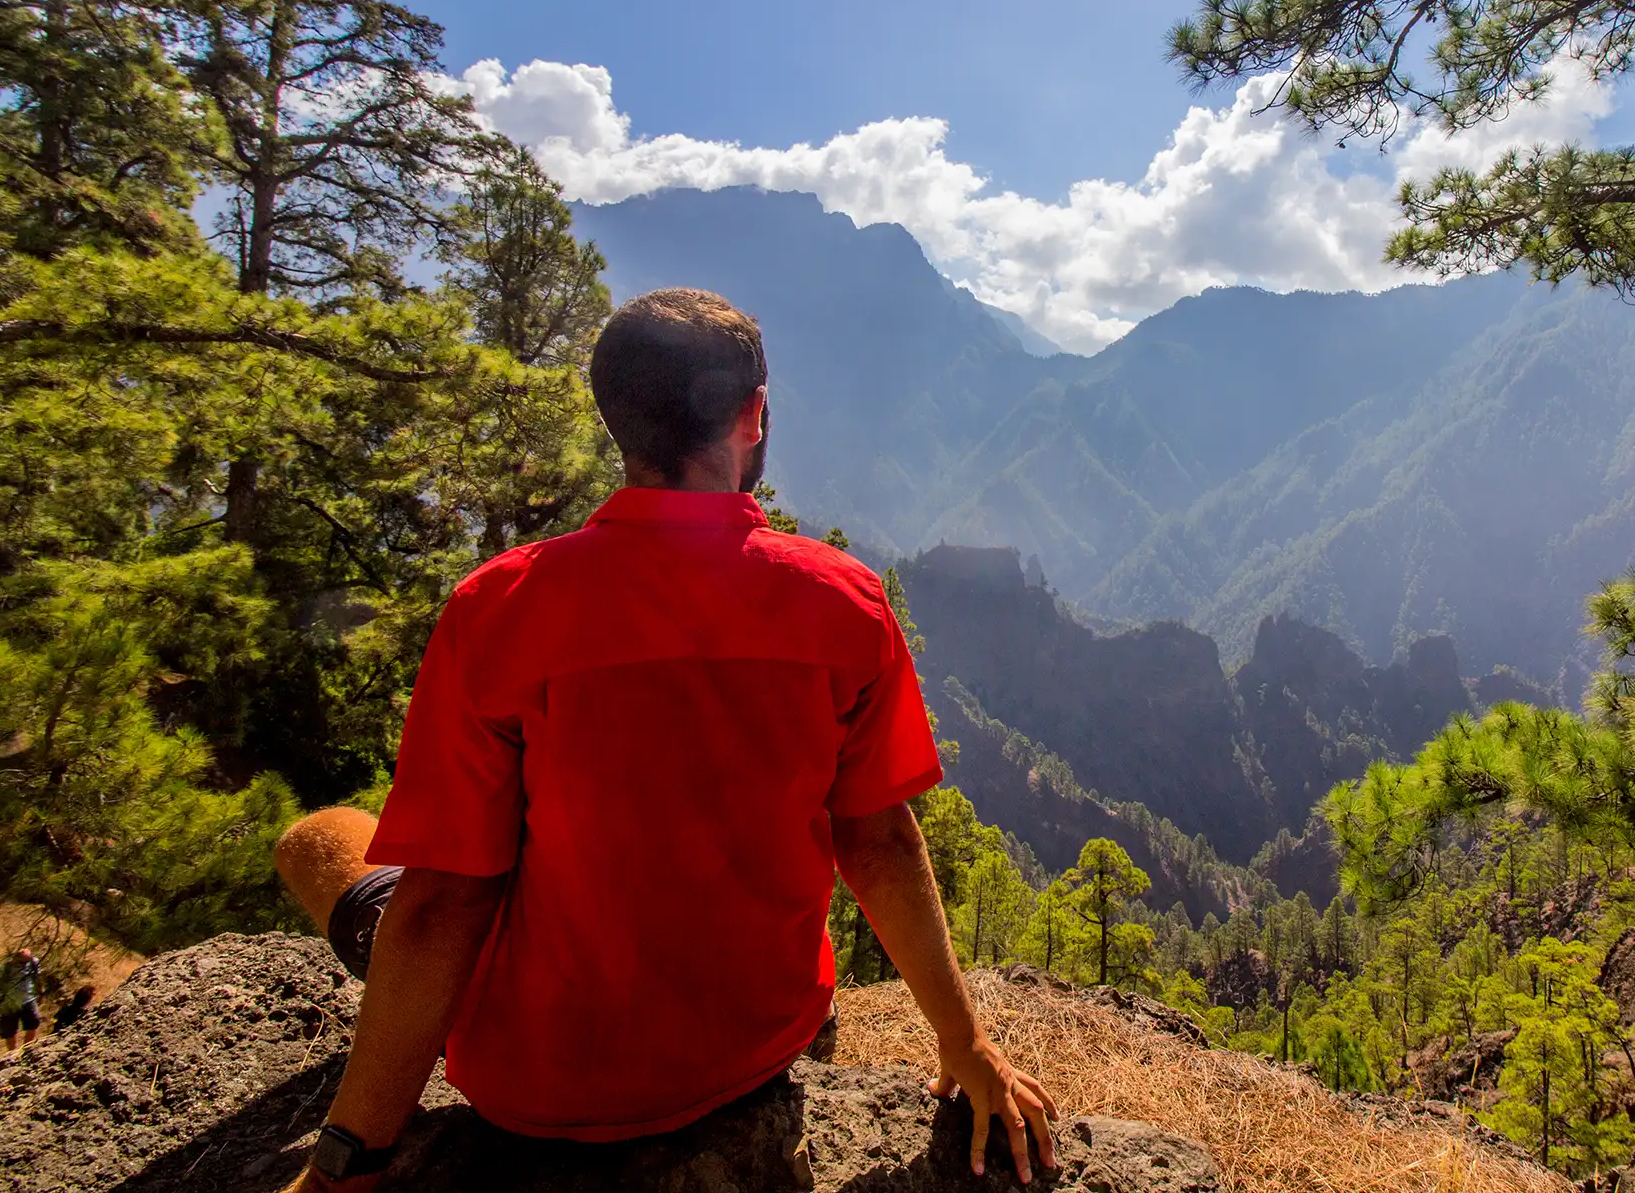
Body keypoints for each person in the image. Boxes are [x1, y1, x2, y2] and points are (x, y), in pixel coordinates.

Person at [274, 288, 1055, 1193]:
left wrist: (351, 1157)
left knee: (318, 839)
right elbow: (878, 840)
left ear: (615, 420)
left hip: (541, 1084)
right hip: (753, 1051)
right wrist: (967, 1046)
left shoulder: (501, 611)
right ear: (753, 415)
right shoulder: (842, 603)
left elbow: (445, 901)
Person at [0, 947, 40, 1051]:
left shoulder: (33, 963)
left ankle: (26, 1051)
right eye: (22, 962)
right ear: (15, 958)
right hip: (9, 1004)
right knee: (9, 1033)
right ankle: (12, 1055)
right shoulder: (5, 969)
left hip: (28, 1000)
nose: (24, 965)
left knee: (33, 1025)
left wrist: (40, 992)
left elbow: (36, 978)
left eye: (26, 962)